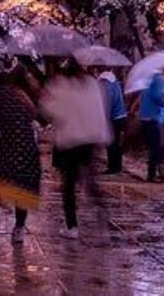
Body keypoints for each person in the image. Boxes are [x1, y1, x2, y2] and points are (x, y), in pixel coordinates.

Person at [39, 58, 112, 239]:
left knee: (69, 185)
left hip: (69, 140)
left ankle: (72, 226)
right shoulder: (91, 84)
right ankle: (101, 212)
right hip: (90, 139)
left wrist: (47, 97)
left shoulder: (60, 85)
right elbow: (101, 109)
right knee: (89, 181)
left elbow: (51, 112)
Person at [0, 66, 42, 245]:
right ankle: (19, 226)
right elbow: (38, 116)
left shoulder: (2, 93)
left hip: (8, 144)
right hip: (27, 146)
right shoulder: (28, 97)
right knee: (23, 185)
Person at [138, 63, 164, 182]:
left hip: (147, 116)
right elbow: (158, 97)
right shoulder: (158, 79)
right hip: (152, 117)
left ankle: (156, 171)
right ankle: (152, 175)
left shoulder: (153, 78)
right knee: (156, 147)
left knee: (155, 146)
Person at [97, 69, 127, 174]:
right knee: (116, 142)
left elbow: (107, 103)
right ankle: (117, 166)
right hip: (120, 115)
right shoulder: (115, 82)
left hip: (113, 117)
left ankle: (113, 167)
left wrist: (104, 118)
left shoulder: (105, 84)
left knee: (111, 142)